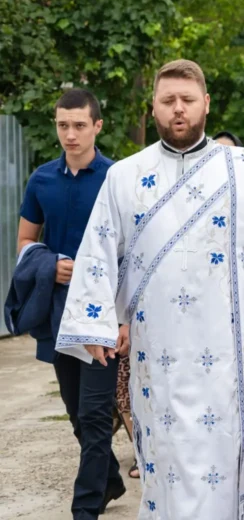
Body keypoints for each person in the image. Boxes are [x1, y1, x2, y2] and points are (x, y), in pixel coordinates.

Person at [55, 60, 244, 519]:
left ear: (206, 104)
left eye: (187, 100)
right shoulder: (125, 176)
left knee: (225, 457)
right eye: (168, 100)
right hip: (159, 358)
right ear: (152, 106)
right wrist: (94, 323)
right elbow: (97, 249)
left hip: (225, 354)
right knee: (167, 465)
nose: (178, 110)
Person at [12, 88, 123, 519]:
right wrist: (51, 262)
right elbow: (25, 241)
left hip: (103, 312)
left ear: (97, 125)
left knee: (95, 414)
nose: (70, 134)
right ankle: (109, 479)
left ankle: (85, 508)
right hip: (57, 310)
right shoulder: (41, 179)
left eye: (79, 125)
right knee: (77, 413)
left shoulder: (118, 178)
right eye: (63, 125)